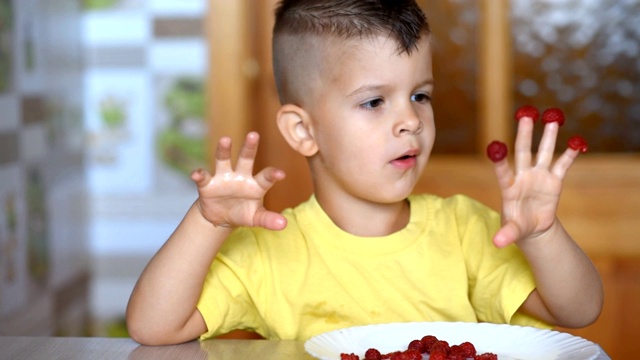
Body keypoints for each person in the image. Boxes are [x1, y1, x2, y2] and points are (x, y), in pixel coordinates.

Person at [126, 0, 604, 346]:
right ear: (302, 130)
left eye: (420, 95)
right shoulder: (271, 251)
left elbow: (578, 311)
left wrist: (542, 233)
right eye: (375, 101)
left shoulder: (464, 230)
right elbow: (153, 327)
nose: (411, 120)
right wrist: (207, 224)